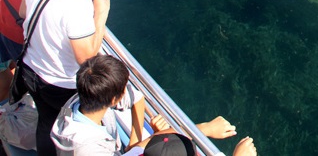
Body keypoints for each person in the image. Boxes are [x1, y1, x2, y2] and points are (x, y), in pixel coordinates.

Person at [21, 0, 125, 156]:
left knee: (45, 124)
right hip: (57, 84)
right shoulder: (78, 1)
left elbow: (22, 12)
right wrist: (100, 15)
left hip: (29, 69)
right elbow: (87, 59)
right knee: (62, 131)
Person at [51, 55, 257, 156]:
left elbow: (136, 98)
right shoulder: (88, 150)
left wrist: (204, 129)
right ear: (114, 100)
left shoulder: (81, 101)